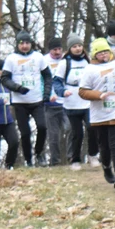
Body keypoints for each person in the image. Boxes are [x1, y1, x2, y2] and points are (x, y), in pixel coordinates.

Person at [78, 37, 115, 192]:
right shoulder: (89, 69)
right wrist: (98, 95)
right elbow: (82, 91)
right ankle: (106, 166)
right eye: (100, 53)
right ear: (94, 55)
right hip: (100, 114)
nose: (104, 55)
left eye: (106, 52)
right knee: (105, 145)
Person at [1, 30, 53, 167]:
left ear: (31, 44)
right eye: (21, 43)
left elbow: (48, 76)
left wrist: (46, 93)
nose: (24, 46)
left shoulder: (38, 57)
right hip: (19, 102)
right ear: (17, 44)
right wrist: (17, 88)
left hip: (37, 100)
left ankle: (39, 153)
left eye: (27, 43)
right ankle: (28, 159)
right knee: (25, 133)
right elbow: (4, 79)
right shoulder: (11, 59)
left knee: (42, 127)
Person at [52, 33, 97, 170]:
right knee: (77, 133)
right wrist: (62, 92)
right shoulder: (65, 63)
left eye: (80, 46)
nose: (78, 49)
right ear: (70, 48)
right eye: (75, 46)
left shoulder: (88, 61)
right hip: (72, 103)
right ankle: (75, 159)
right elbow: (57, 82)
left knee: (92, 128)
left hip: (88, 101)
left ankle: (93, 154)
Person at [42, 37, 69, 167]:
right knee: (53, 135)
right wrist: (48, 95)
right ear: (50, 50)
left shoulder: (67, 59)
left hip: (67, 102)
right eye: (54, 50)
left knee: (71, 129)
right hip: (51, 103)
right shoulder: (44, 61)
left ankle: (72, 157)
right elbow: (42, 81)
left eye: (59, 49)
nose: (57, 52)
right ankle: (55, 161)